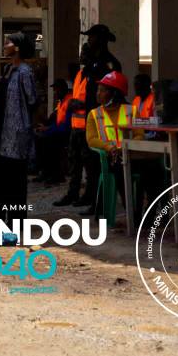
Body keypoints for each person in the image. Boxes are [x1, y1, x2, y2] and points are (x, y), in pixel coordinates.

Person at [54, 25, 121, 207]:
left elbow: (108, 96)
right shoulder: (86, 69)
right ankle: (74, 193)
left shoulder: (108, 64)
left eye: (91, 37)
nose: (88, 41)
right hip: (78, 125)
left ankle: (94, 197)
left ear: (101, 39)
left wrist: (84, 105)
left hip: (95, 124)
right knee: (75, 162)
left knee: (93, 164)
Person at [0, 32, 37, 225]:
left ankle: (16, 220)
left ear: (17, 48)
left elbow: (32, 100)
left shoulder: (25, 72)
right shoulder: (8, 69)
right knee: (0, 178)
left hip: (16, 134)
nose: (4, 45)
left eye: (7, 43)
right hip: (1, 132)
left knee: (15, 179)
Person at [85, 70, 131, 221]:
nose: (97, 94)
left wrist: (124, 148)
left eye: (102, 90)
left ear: (115, 94)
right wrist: (109, 148)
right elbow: (91, 139)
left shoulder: (131, 111)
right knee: (120, 171)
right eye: (98, 90)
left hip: (131, 156)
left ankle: (145, 213)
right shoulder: (94, 114)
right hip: (108, 159)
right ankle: (130, 211)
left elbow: (139, 135)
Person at [33, 78, 71, 185]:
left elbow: (66, 126)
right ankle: (45, 171)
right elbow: (55, 120)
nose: (55, 92)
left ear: (62, 89)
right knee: (39, 138)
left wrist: (48, 129)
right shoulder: (61, 102)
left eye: (56, 90)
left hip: (66, 133)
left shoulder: (69, 101)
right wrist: (45, 126)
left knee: (48, 140)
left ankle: (56, 175)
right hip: (59, 130)